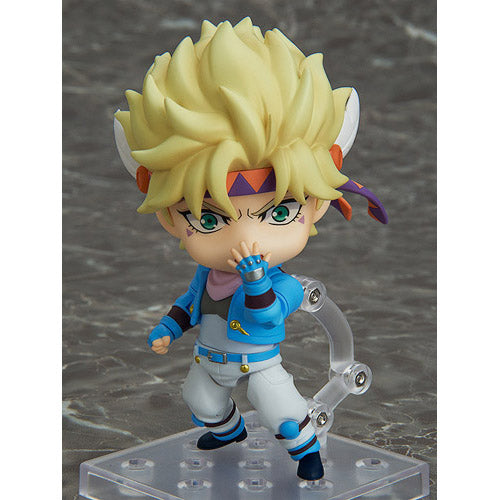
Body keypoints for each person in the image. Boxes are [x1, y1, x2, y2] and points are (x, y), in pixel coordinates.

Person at [114, 17, 387, 481]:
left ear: (315, 207)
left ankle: (306, 453)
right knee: (199, 401)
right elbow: (189, 305)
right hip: (209, 360)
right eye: (208, 219)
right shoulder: (207, 275)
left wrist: (258, 279)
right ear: (170, 219)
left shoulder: (286, 284)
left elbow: (269, 316)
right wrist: (167, 329)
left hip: (259, 365)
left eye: (278, 213)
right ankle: (228, 431)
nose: (244, 240)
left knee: (283, 413)